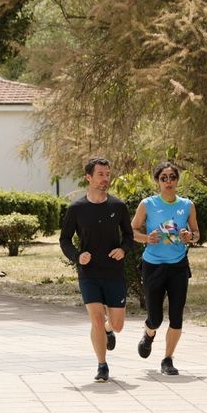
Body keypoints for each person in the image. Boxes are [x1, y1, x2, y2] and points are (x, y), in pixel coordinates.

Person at [60, 158, 134, 382]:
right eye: (100, 174)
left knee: (118, 325)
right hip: (89, 273)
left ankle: (109, 330)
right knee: (96, 319)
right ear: (88, 178)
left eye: (107, 174)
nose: (105, 179)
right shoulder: (76, 209)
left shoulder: (118, 206)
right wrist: (77, 256)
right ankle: (102, 365)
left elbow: (129, 236)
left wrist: (123, 249)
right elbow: (64, 240)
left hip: (113, 272)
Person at [130, 161, 199, 375]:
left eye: (172, 177)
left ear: (177, 180)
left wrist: (190, 237)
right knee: (156, 318)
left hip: (178, 266)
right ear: (158, 181)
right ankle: (149, 332)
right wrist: (146, 238)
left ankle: (168, 359)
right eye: (164, 178)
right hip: (153, 265)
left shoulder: (187, 205)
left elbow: (196, 234)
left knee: (176, 316)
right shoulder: (148, 204)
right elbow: (131, 231)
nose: (168, 181)